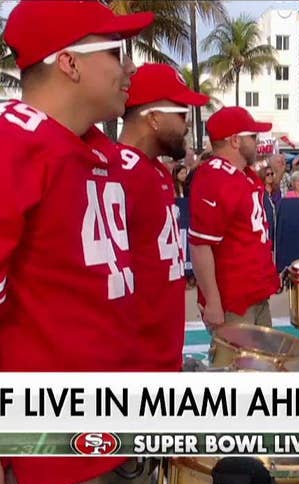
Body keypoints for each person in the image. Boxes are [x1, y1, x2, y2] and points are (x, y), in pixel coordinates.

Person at [0, 1, 154, 484]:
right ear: (68, 62)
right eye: (115, 52)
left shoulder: (94, 149)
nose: (129, 68)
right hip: (46, 447)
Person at [116, 62, 209, 371]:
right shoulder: (118, 174)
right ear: (153, 118)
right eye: (181, 114)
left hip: (163, 351)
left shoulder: (156, 170)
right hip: (137, 360)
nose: (187, 125)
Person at [189, 106, 279, 329]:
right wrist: (212, 301)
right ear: (236, 140)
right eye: (253, 136)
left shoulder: (243, 175)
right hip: (234, 302)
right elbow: (200, 244)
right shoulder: (215, 177)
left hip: (254, 294)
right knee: (234, 363)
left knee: (263, 362)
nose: (257, 142)